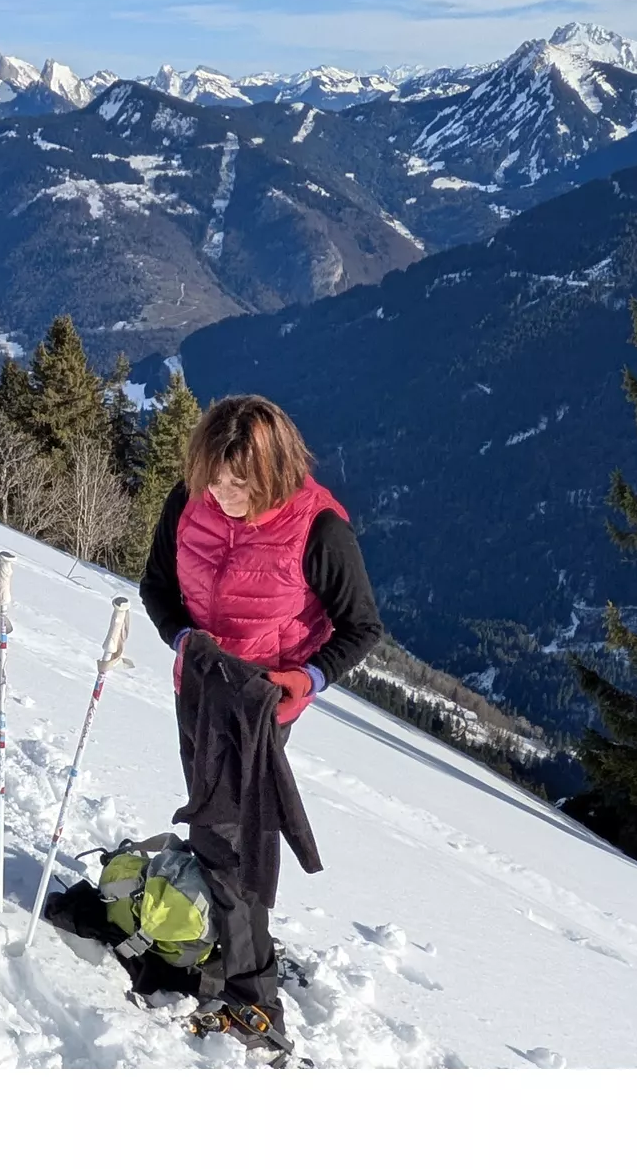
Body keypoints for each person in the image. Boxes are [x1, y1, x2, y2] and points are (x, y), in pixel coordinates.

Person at [137, 394, 383, 1051]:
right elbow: (157, 588)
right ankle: (226, 949)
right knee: (217, 833)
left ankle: (253, 998)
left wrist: (307, 679)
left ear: (273, 470)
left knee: (227, 840)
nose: (223, 494)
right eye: (214, 478)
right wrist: (185, 639)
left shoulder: (318, 529)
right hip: (196, 691)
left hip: (259, 709)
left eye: (239, 483)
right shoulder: (189, 500)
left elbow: (362, 627)